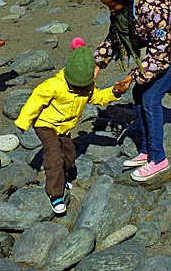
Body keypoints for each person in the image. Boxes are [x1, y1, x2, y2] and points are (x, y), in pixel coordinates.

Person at [94, 0, 171, 182]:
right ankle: (146, 151)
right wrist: (97, 64)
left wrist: (132, 76)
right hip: (161, 48)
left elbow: (160, 53)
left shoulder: (152, 9)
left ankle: (159, 159)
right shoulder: (127, 4)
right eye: (108, 6)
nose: (111, 11)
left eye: (113, 6)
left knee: (151, 97)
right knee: (139, 93)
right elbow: (114, 36)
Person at [15, 38, 125, 215]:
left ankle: (60, 177)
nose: (79, 89)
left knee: (70, 155)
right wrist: (23, 121)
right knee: (54, 156)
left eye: (82, 87)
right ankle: (55, 193)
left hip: (64, 127)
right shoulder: (54, 85)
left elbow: (97, 97)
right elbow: (36, 100)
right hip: (46, 124)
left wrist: (114, 92)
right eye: (75, 86)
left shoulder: (87, 87)